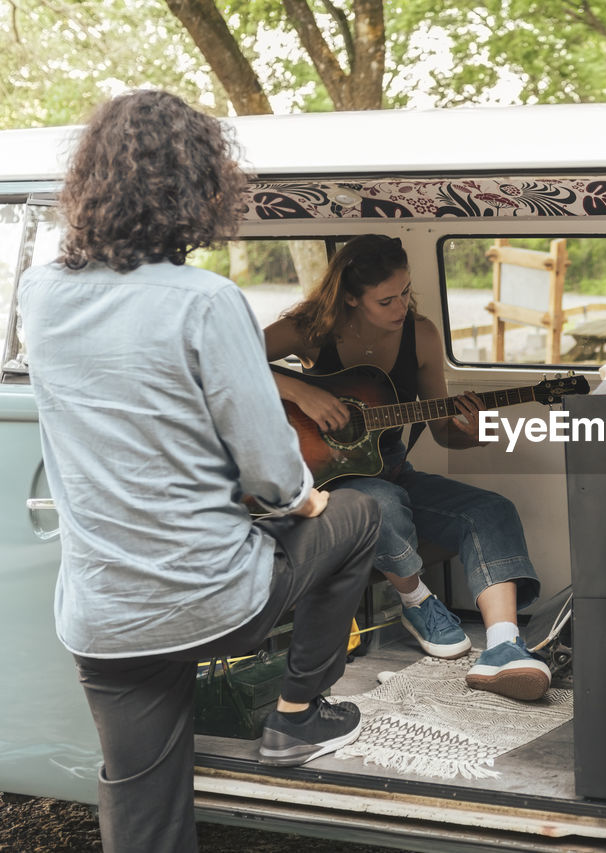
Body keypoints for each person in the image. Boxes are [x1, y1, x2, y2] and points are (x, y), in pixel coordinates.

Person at [19, 90, 381, 853]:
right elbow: (272, 474)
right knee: (360, 515)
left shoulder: (40, 292)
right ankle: (296, 715)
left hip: (106, 614)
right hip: (214, 600)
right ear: (199, 190)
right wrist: (299, 499)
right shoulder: (207, 302)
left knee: (143, 799)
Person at [263, 234, 551, 702]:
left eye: (405, 292)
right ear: (350, 297)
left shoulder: (422, 335)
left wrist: (471, 429)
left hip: (393, 468)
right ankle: (416, 602)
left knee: (491, 510)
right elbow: (227, 360)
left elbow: (443, 431)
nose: (401, 307)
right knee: (383, 504)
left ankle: (503, 647)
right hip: (330, 485)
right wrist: (302, 393)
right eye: (386, 299)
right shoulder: (311, 328)